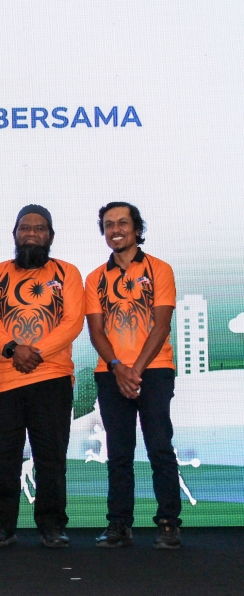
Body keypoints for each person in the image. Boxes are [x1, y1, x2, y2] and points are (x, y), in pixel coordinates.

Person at [0, 204, 84, 548]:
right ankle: (0, 525)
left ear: (51, 236)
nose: (32, 234)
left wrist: (33, 351)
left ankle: (52, 525)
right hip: (6, 380)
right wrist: (13, 349)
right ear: (15, 234)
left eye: (40, 229)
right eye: (25, 228)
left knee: (51, 457)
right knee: (3, 456)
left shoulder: (68, 273)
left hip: (52, 378)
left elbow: (72, 323)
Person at [84, 202, 182, 549]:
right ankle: (119, 525)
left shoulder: (160, 269)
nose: (115, 230)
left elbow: (161, 324)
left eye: (122, 223)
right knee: (119, 452)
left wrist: (135, 370)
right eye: (108, 225)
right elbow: (96, 332)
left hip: (153, 371)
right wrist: (117, 368)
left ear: (138, 229)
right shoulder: (95, 277)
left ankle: (169, 523)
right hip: (110, 373)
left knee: (159, 447)